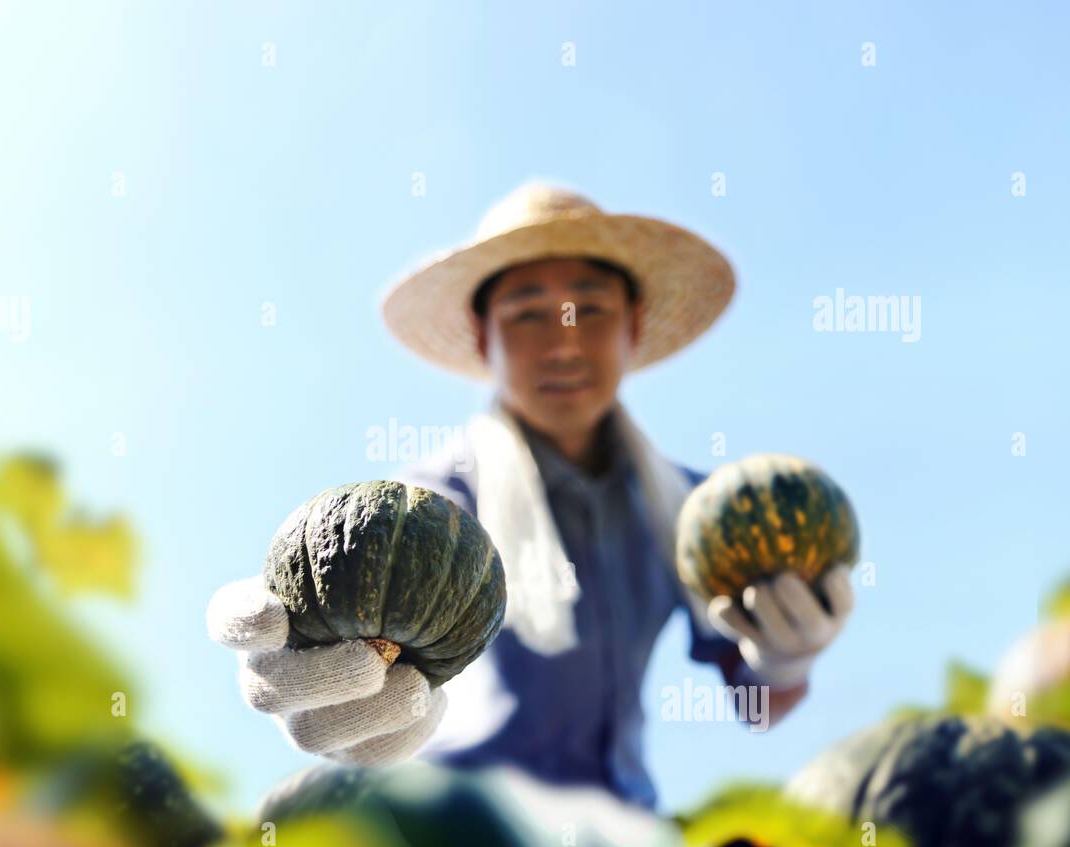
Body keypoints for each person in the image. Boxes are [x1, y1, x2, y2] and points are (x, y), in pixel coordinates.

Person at [207, 182, 854, 811]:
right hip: (465, 835)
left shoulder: (693, 509)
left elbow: (756, 704)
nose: (564, 341)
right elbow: (373, 567)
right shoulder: (442, 497)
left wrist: (784, 660)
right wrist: (310, 642)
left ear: (633, 325)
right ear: (485, 336)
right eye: (527, 313)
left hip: (627, 837)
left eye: (591, 308)